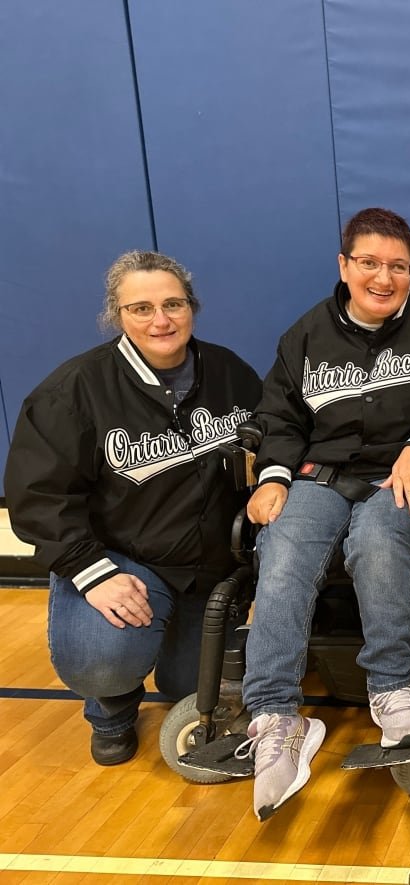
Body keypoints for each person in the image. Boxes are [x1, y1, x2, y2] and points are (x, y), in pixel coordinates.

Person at [236, 207, 410, 821]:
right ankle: (274, 717)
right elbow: (281, 418)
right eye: (370, 263)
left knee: (376, 536)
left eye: (397, 266)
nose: (384, 277)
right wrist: (272, 476)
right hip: (321, 476)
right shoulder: (305, 336)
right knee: (284, 545)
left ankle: (392, 691)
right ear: (344, 266)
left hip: (406, 478)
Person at [4, 251, 262, 766]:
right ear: (116, 315)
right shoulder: (73, 391)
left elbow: (270, 444)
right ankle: (111, 708)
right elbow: (39, 498)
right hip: (125, 561)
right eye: (140, 308)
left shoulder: (230, 372)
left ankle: (173, 656)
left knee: (193, 685)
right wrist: (91, 573)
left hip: (209, 568)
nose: (160, 320)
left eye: (173, 304)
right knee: (103, 661)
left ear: (192, 307)